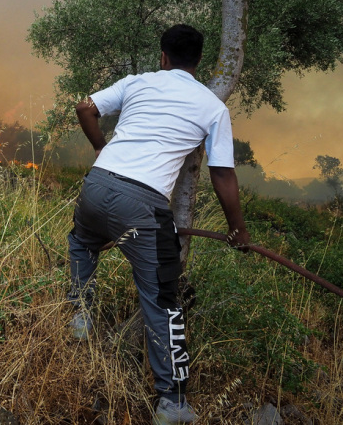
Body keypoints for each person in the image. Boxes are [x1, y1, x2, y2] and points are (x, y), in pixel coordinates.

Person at [67, 24, 250, 425]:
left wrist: (101, 147)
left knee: (82, 241)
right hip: (143, 205)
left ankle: (80, 314)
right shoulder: (213, 107)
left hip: (97, 185)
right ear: (198, 61)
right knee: (163, 299)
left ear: (163, 57)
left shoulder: (138, 82)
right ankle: (173, 402)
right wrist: (238, 229)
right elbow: (222, 173)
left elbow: (84, 107)